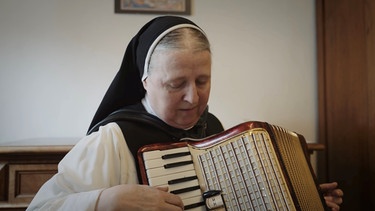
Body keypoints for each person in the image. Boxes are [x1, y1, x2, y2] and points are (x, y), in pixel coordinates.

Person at [27, 16, 343, 211]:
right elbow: (41, 208)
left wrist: (303, 201)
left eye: (202, 81)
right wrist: (105, 202)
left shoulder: (217, 128)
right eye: (176, 84)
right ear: (146, 82)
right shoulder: (110, 141)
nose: (193, 97)